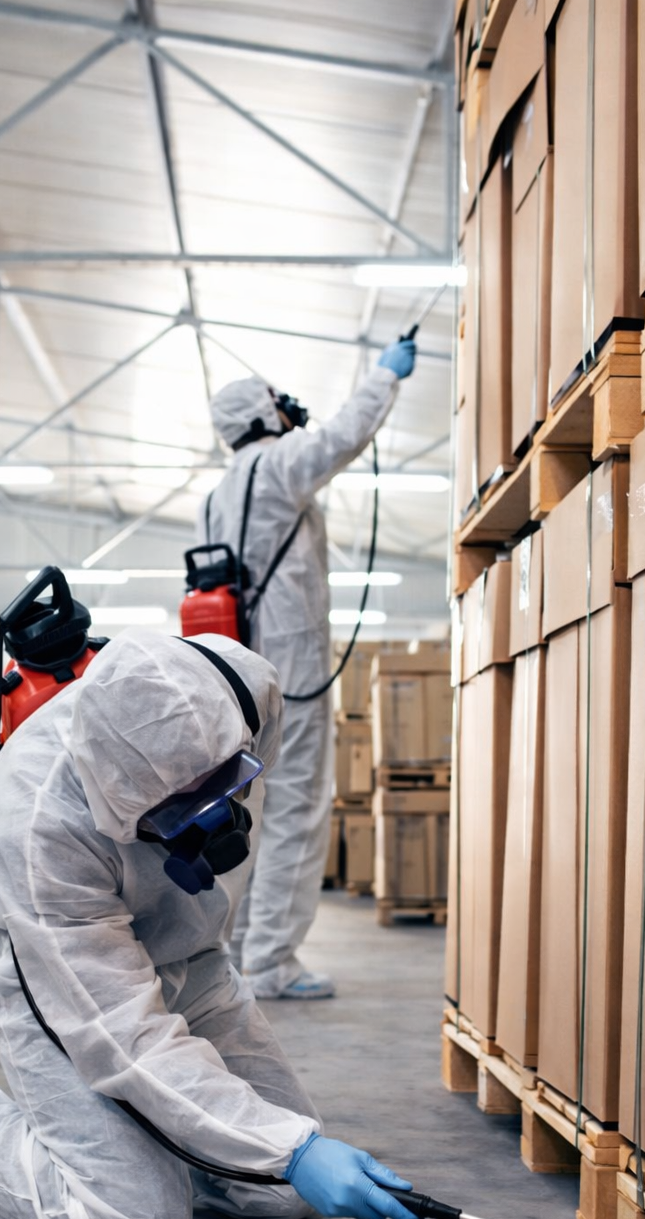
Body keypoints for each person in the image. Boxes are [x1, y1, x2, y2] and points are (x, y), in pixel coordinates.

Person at [0, 630, 425, 1219]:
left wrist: (282, 1155)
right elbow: (121, 1035)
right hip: (60, 970)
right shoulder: (37, 827)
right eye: (182, 818)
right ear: (121, 809)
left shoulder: (243, 687)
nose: (218, 824)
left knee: (279, 1190)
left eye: (227, 788)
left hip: (194, 951)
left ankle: (167, 1143)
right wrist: (292, 1149)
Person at [199, 340, 417, 1001]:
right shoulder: (278, 466)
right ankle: (271, 963)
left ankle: (228, 953)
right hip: (288, 666)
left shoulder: (218, 493)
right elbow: (344, 435)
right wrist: (384, 377)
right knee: (295, 808)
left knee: (244, 810)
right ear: (266, 416)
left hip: (230, 675)